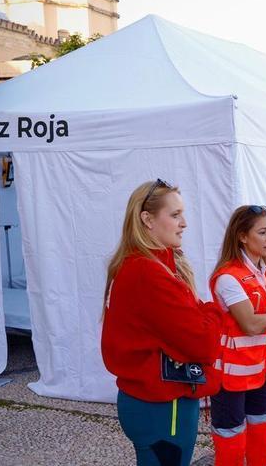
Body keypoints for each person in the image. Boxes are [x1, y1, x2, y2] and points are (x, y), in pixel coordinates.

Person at [101, 179, 224, 466]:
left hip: (153, 402)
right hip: (162, 406)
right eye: (175, 214)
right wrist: (212, 310)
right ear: (147, 219)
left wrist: (200, 312)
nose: (184, 223)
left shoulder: (148, 264)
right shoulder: (148, 272)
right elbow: (204, 343)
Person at [208, 205, 266, 466]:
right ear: (242, 236)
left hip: (263, 370)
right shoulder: (228, 278)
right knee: (231, 441)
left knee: (262, 432)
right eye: (262, 232)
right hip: (231, 377)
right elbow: (251, 325)